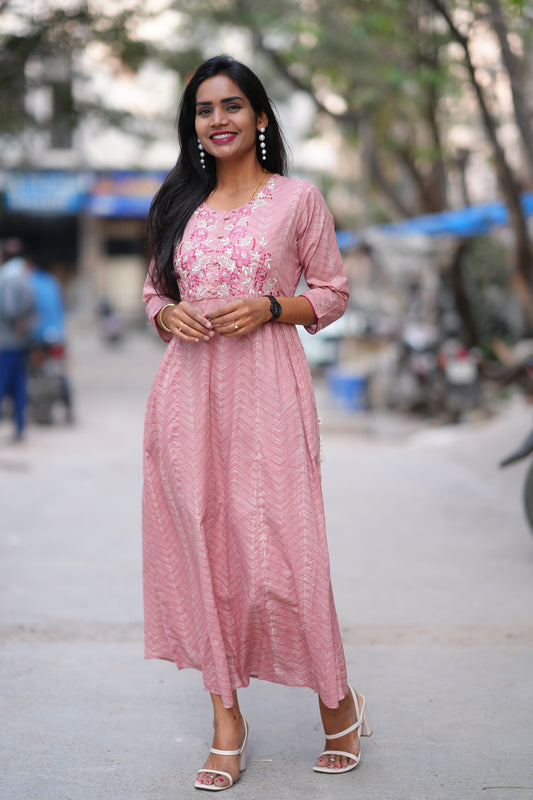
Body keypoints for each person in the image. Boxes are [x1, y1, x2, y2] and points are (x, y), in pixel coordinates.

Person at [142, 54, 372, 791]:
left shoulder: (297, 200)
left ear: (261, 116)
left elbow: (332, 293)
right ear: (194, 125)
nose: (218, 120)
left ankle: (338, 703)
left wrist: (274, 306)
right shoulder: (176, 202)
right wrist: (165, 312)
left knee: (287, 552)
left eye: (232, 106)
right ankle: (225, 719)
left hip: (268, 392)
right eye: (205, 110)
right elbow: (153, 293)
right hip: (186, 400)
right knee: (203, 551)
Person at [0, 238, 35, 441]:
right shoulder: (22, 274)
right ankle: (20, 428)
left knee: (4, 384)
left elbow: (10, 308)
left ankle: (19, 427)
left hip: (7, 341)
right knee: (18, 385)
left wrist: (17, 322)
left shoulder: (8, 275)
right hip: (19, 340)